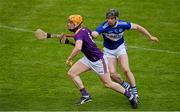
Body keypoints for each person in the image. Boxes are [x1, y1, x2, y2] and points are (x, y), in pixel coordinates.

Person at [65, 14, 138, 108]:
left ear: (77, 24)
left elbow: (78, 47)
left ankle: (131, 96)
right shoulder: (84, 30)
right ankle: (85, 96)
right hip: (88, 58)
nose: (68, 24)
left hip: (99, 61)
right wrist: (69, 41)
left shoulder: (79, 34)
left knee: (108, 84)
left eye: (71, 22)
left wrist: (69, 58)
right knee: (72, 73)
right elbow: (84, 44)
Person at [92, 9, 159, 98]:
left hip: (120, 48)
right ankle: (125, 85)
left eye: (112, 18)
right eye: (108, 18)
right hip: (108, 51)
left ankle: (134, 91)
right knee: (112, 74)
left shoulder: (123, 24)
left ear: (116, 18)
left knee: (126, 69)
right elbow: (96, 33)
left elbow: (137, 27)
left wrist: (150, 36)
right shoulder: (104, 26)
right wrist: (94, 34)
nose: (109, 20)